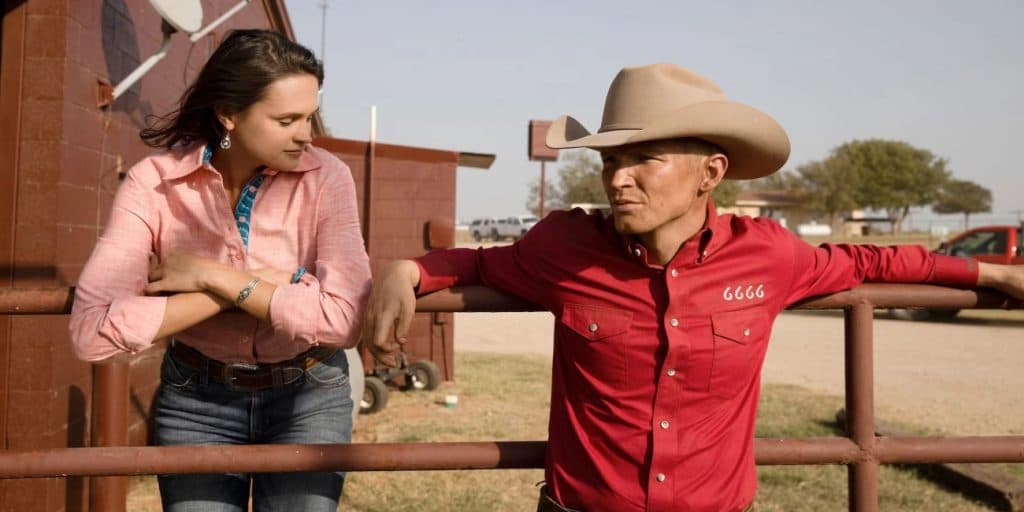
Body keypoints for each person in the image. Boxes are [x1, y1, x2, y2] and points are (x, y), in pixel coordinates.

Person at [362, 63, 1024, 512]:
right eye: (611, 160)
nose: (618, 179)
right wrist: (409, 270)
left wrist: (991, 274)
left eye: (644, 159)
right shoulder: (565, 247)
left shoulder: (767, 256)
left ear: (710, 172)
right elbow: (479, 264)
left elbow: (872, 264)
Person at [69, 29, 371, 511]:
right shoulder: (156, 183)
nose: (306, 134)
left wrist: (215, 276)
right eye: (286, 119)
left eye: (310, 116)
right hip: (196, 402)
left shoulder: (327, 176)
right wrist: (266, 284)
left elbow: (345, 319)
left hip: (309, 396)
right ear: (229, 113)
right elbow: (91, 331)